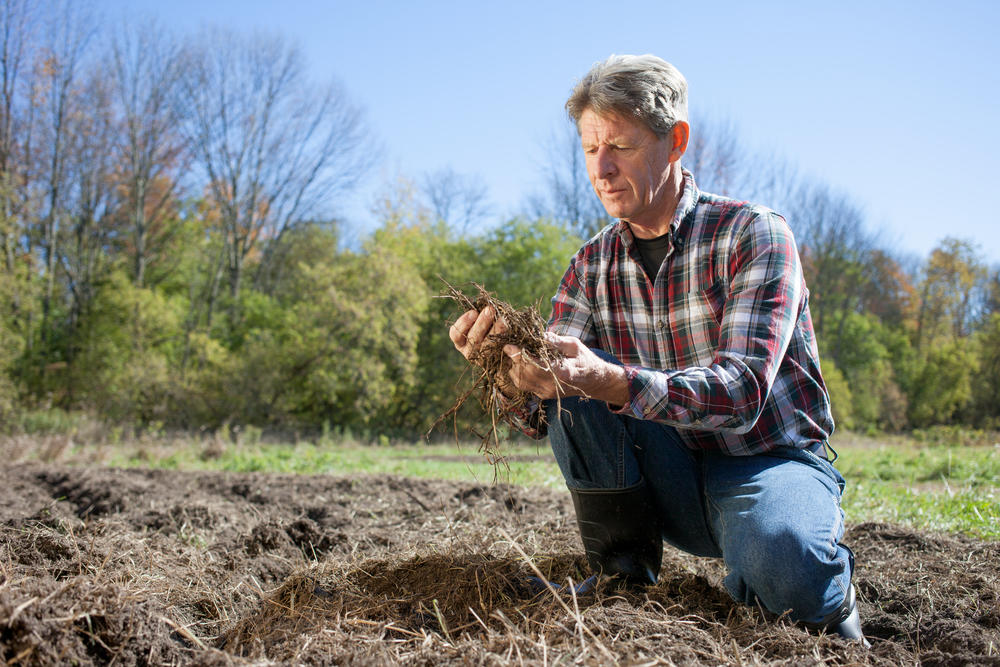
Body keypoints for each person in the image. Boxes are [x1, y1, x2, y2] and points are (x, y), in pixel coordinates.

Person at [448, 54, 867, 645]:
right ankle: (622, 578)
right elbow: (552, 410)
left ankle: (810, 584)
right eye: (591, 149)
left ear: (675, 142)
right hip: (662, 475)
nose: (603, 167)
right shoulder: (590, 265)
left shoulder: (753, 234)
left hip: (767, 460)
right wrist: (508, 372)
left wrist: (611, 380)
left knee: (784, 563)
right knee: (574, 382)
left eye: (619, 144)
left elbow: (744, 392)